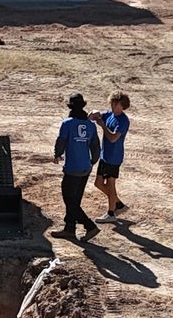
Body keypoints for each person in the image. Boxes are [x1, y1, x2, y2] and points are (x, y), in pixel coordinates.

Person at [51, 93, 102, 242]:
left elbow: (61, 141)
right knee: (75, 200)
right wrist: (92, 161)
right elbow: (95, 146)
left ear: (70, 107)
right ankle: (69, 229)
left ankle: (90, 226)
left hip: (72, 168)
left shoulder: (67, 123)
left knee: (70, 201)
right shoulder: (90, 125)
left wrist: (57, 154)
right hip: (85, 168)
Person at [90, 91, 131, 223]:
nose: (112, 104)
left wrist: (102, 125)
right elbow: (96, 114)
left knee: (111, 184)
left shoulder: (123, 121)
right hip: (105, 155)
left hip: (114, 157)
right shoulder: (110, 114)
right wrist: (93, 113)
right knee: (98, 183)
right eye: (112, 102)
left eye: (115, 102)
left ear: (121, 105)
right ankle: (118, 204)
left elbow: (113, 138)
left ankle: (111, 213)